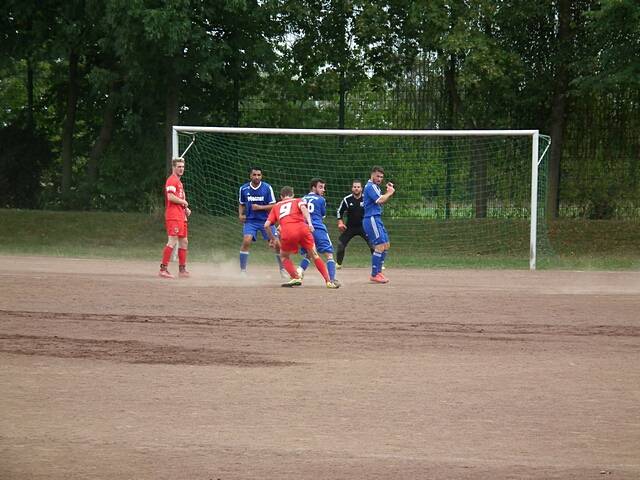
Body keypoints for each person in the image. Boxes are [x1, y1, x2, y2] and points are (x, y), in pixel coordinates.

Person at [264, 186, 340, 289]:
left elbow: (266, 225)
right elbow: (304, 209)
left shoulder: (276, 206)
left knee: (283, 256)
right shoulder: (298, 200)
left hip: (287, 232)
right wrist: (309, 223)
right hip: (303, 229)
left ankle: (295, 277)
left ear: (281, 196)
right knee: (314, 255)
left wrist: (273, 239)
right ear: (293, 195)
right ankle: (328, 281)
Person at [238, 167, 287, 277]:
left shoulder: (267, 188)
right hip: (250, 221)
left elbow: (274, 205)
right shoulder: (243, 188)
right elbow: (241, 203)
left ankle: (283, 269)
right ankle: (242, 271)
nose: (256, 177)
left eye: (259, 175)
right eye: (254, 175)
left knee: (277, 244)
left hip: (266, 221)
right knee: (246, 241)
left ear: (261, 176)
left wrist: (260, 207)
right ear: (250, 176)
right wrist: (241, 214)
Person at [296, 178, 339, 285]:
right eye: (320, 187)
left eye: (324, 187)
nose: (323, 190)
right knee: (329, 255)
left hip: (304, 229)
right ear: (313, 187)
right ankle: (332, 279)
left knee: (309, 254)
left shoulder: (302, 199)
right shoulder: (321, 199)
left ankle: (299, 272)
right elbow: (322, 215)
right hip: (318, 228)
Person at [159, 157, 191, 279]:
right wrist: (184, 201)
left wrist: (185, 208)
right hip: (173, 215)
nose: (181, 169)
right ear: (173, 167)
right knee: (172, 240)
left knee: (184, 241)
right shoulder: (172, 180)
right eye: (179, 166)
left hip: (181, 215)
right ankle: (163, 269)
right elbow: (170, 197)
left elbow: (178, 199)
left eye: (182, 167)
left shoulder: (179, 182)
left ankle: (182, 270)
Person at [362, 166, 395, 284]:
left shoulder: (375, 187)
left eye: (381, 177)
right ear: (372, 174)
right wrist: (390, 193)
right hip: (371, 219)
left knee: (386, 244)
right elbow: (380, 200)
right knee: (380, 245)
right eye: (377, 176)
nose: (379, 179)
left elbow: (380, 198)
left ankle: (379, 272)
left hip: (376, 218)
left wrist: (387, 191)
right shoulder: (370, 186)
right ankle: (374, 274)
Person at [335, 179, 374, 269]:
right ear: (352, 188)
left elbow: (372, 209)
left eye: (358, 187)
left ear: (361, 188)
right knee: (341, 244)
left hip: (364, 226)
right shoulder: (347, 199)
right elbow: (339, 212)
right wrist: (340, 222)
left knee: (373, 244)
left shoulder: (366, 198)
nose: (356, 188)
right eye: (354, 187)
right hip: (350, 227)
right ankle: (338, 264)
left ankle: (378, 264)